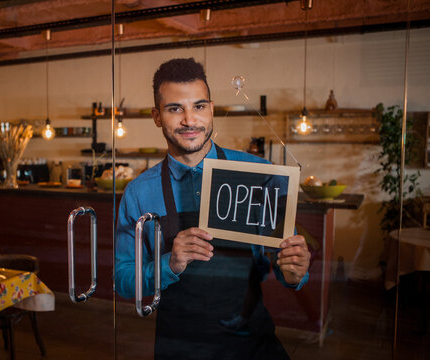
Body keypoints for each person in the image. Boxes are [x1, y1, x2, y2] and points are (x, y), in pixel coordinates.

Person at [115, 58, 310, 359]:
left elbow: (286, 268)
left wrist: (295, 270)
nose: (190, 120)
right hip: (180, 346)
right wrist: (170, 264)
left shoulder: (260, 174)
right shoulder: (139, 193)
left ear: (212, 108)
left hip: (251, 342)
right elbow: (124, 280)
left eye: (199, 106)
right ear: (156, 116)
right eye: (175, 108)